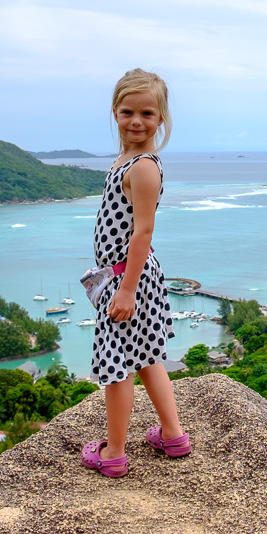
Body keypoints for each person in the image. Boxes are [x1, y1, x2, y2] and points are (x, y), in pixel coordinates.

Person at [81, 68, 191, 478]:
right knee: (146, 357)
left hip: (129, 278)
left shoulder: (144, 166)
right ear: (115, 112)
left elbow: (143, 231)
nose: (137, 121)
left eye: (148, 113)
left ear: (160, 118)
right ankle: (173, 435)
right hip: (127, 275)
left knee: (116, 367)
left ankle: (113, 454)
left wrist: (125, 290)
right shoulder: (127, 160)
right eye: (128, 111)